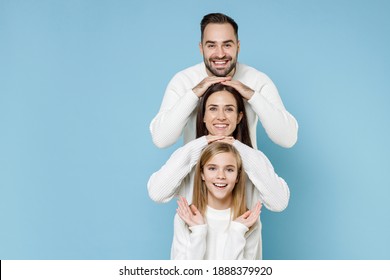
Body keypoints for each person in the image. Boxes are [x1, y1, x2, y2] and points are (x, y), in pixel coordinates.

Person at [148, 84, 290, 259]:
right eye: (213, 109)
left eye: (229, 109)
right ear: (203, 117)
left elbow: (279, 202)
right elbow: (157, 192)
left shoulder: (252, 161)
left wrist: (237, 146)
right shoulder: (189, 158)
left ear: (239, 117)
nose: (221, 117)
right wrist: (202, 142)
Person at [150, 12, 298, 150]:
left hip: (244, 176)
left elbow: (287, 139)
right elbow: (161, 139)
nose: (220, 54)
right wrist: (193, 94)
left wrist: (252, 95)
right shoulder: (183, 80)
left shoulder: (258, 80)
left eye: (227, 45)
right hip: (195, 177)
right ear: (201, 48)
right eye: (211, 45)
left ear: (238, 47)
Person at [171, 142, 262, 259]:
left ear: (237, 177)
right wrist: (198, 232)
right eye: (212, 168)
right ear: (202, 174)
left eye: (229, 170)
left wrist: (237, 230)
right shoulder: (186, 217)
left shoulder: (248, 219)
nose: (221, 176)